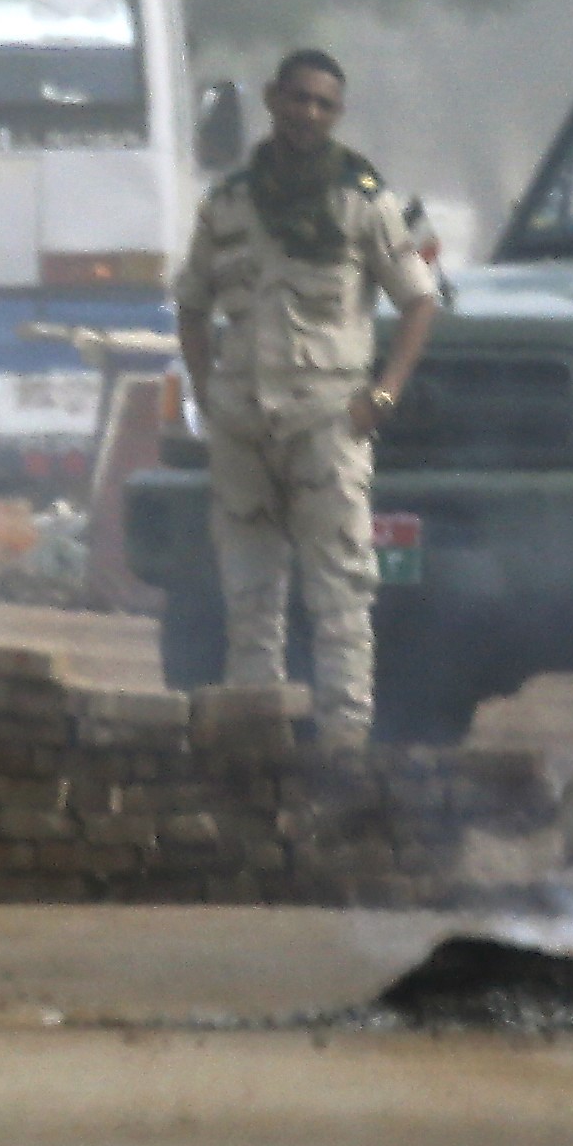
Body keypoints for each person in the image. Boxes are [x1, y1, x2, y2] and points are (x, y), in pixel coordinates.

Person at [174, 50, 440, 750]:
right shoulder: (228, 202)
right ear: (272, 100)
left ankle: (344, 746)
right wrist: (208, 394)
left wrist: (382, 394)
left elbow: (419, 301)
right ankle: (251, 741)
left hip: (328, 418)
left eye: (324, 104)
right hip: (242, 422)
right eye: (298, 99)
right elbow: (192, 305)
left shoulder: (362, 200)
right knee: (250, 593)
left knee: (341, 592)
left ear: (338, 114)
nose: (309, 115)